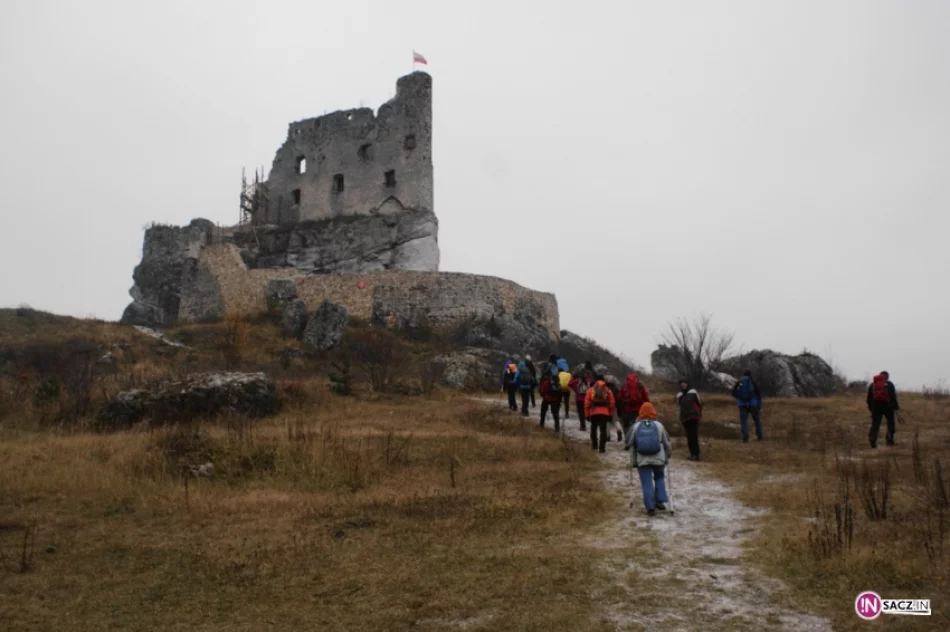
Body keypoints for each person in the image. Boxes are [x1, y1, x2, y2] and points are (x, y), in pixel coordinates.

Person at [626, 402, 672, 516]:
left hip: (643, 459)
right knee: (659, 477)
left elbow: (629, 443)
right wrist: (668, 456)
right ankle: (660, 500)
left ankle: (650, 508)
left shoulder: (636, 426)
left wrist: (633, 461)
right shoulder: (659, 425)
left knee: (646, 482)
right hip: (659, 458)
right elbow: (667, 443)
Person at [867, 371, 900, 448]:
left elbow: (869, 398)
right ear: (887, 377)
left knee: (875, 424)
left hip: (876, 407)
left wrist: (871, 408)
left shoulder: (873, 385)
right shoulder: (890, 384)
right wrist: (895, 407)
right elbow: (893, 397)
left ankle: (872, 438)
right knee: (890, 423)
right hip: (888, 406)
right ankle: (889, 439)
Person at [618, 373, 651, 450]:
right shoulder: (640, 386)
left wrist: (620, 408)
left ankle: (627, 443)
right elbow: (646, 398)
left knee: (626, 427)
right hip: (637, 410)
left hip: (626, 410)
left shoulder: (624, 386)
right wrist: (648, 406)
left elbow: (619, 397)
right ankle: (636, 442)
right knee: (636, 426)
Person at [585, 375, 617, 453]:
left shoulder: (591, 390)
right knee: (603, 430)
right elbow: (612, 403)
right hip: (604, 413)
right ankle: (602, 448)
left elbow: (586, 403)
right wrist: (610, 414)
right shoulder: (607, 390)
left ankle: (594, 445)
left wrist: (587, 414)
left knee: (593, 428)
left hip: (594, 412)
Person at [731, 370, 764, 442]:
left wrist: (739, 397)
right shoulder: (753, 382)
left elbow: (733, 392)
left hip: (742, 404)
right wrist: (759, 405)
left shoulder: (740, 382)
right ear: (751, 375)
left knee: (743, 421)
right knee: (757, 420)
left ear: (743, 375)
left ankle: (745, 437)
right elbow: (759, 395)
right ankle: (760, 436)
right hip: (753, 404)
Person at [675, 378, 703, 461]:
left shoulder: (693, 392)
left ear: (688, 384)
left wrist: (699, 413)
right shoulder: (679, 395)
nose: (683, 385)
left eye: (685, 383)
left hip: (693, 417)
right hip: (685, 418)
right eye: (682, 383)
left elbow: (700, 403)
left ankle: (696, 454)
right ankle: (693, 454)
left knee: (693, 435)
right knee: (689, 436)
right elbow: (679, 404)